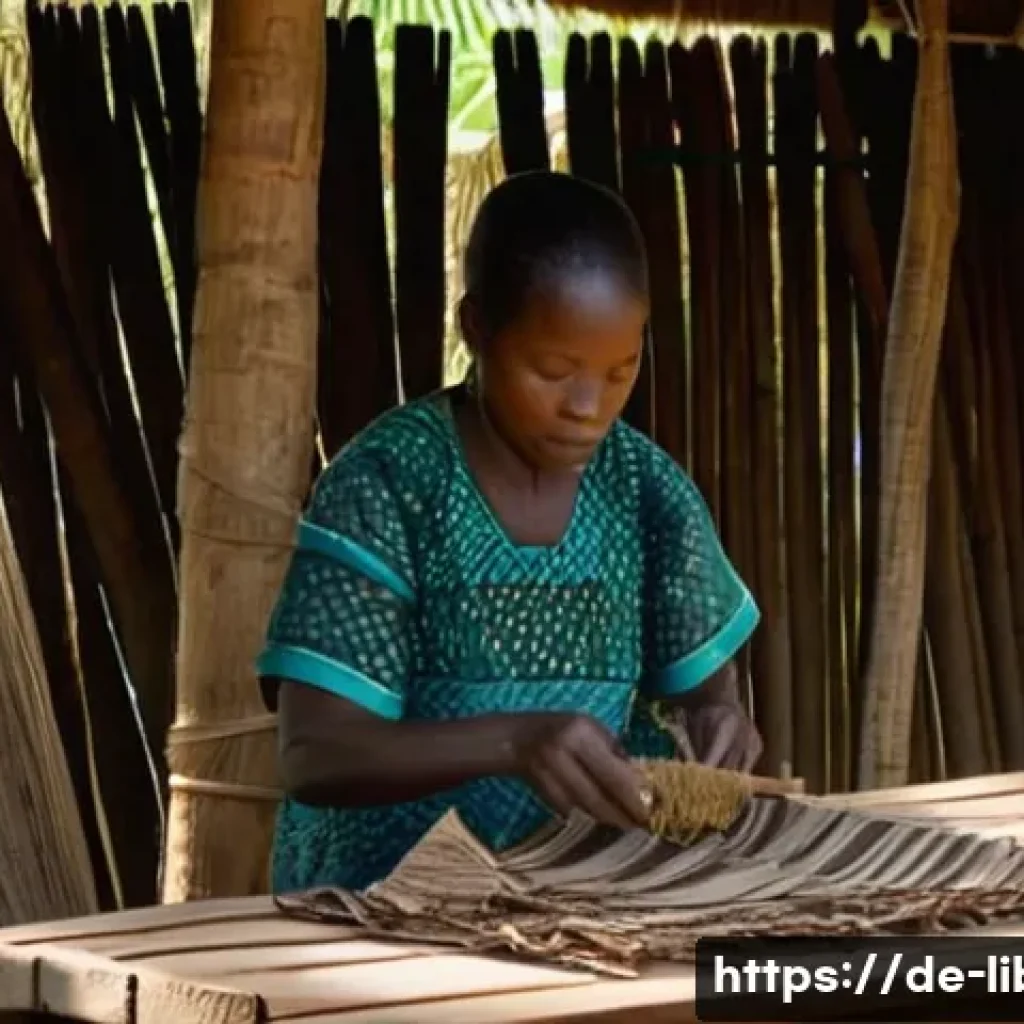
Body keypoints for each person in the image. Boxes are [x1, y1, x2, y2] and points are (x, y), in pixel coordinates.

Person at [256, 170, 762, 895]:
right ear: (476, 329)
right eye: (552, 371)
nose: (588, 406)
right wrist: (513, 741)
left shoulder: (647, 491)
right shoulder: (389, 486)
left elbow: (707, 690)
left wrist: (721, 722)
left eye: (621, 370)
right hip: (382, 908)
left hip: (588, 904)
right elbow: (315, 753)